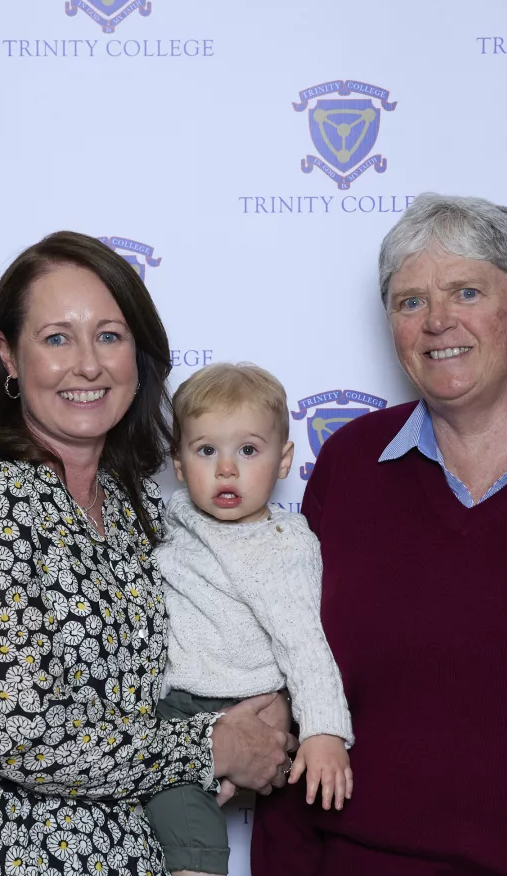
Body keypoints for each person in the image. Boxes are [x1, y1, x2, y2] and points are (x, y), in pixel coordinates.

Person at [0, 231, 292, 876]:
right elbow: (19, 736)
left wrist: (263, 708)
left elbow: (191, 659)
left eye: (109, 336)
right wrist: (212, 747)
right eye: (57, 338)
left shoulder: (138, 503)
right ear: (7, 355)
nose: (88, 365)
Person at [251, 193, 507, 875]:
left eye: (466, 291)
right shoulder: (350, 463)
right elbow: (299, 687)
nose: (437, 321)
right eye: (409, 303)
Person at [145, 363, 354, 876]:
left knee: (195, 841)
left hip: (249, 705)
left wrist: (325, 732)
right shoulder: (174, 517)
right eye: (206, 451)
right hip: (174, 710)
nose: (226, 470)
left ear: (284, 461)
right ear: (177, 462)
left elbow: (306, 645)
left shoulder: (284, 547)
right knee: (171, 824)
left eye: (248, 450)